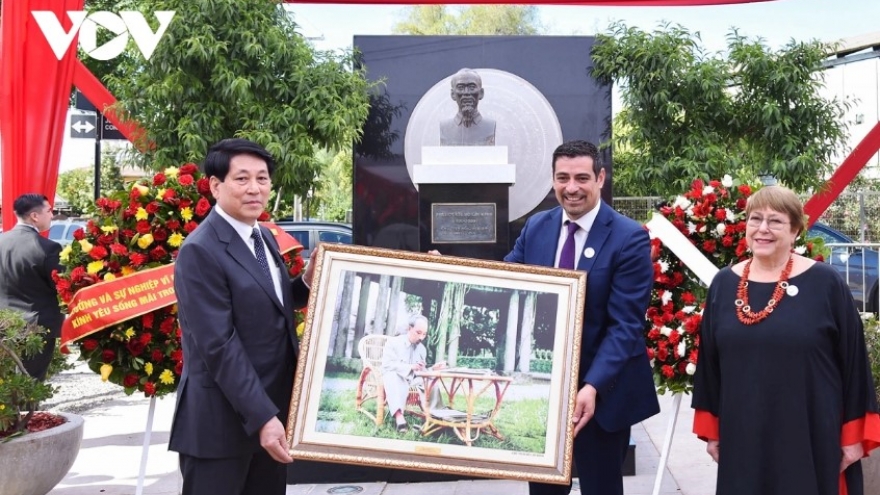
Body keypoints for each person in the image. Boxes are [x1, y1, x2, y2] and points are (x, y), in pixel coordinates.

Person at [692, 185, 880, 495]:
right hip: (744, 433)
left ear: (795, 230)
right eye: (755, 219)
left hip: (812, 434)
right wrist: (713, 431)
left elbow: (854, 363)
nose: (762, 229)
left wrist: (853, 437)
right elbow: (710, 366)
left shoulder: (826, 283)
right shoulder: (724, 285)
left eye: (775, 221)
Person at [504, 140, 659, 495]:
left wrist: (591, 386)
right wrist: (449, 269)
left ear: (600, 178)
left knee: (601, 487)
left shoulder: (629, 237)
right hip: (546, 390)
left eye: (581, 178)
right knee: (543, 489)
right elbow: (504, 279)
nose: (571, 188)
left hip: (602, 392)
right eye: (562, 178)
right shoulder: (536, 227)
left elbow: (626, 326)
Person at [169, 138, 315, 495]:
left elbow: (273, 302)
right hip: (222, 424)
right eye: (242, 179)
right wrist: (263, 418)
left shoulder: (262, 236)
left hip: (272, 411)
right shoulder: (200, 251)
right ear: (216, 185)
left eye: (262, 179)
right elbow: (219, 345)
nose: (255, 189)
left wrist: (309, 282)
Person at [0, 193, 63, 381]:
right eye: (49, 210)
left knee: (6, 385)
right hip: (36, 328)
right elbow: (61, 286)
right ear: (35, 216)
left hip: (3, 325)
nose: (52, 215)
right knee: (30, 387)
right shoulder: (48, 248)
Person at [381, 314, 446, 432]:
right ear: (409, 328)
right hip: (395, 377)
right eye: (418, 332)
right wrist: (410, 367)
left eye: (424, 334)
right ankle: (399, 417)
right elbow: (387, 365)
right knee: (394, 376)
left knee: (430, 380)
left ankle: (435, 416)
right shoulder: (393, 343)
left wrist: (432, 369)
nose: (421, 337)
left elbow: (421, 372)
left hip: (413, 380)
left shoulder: (422, 349)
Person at [439, 68, 496, 146]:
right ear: (453, 94)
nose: (466, 93)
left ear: (481, 93)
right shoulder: (444, 128)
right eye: (460, 87)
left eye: (472, 87)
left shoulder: (490, 126)